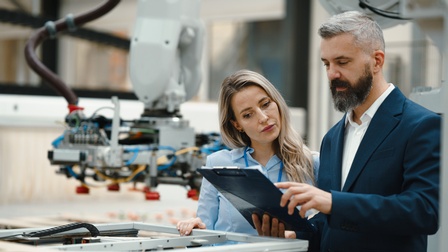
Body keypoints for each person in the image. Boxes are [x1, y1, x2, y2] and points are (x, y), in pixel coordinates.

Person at [253, 11, 441, 252]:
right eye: (326, 64)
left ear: (377, 61)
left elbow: (424, 210)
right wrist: (294, 238)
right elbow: (330, 224)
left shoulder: (420, 125)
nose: (332, 74)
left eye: (342, 62)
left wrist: (333, 202)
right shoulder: (332, 138)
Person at [176, 69, 319, 238]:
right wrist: (194, 228)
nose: (263, 117)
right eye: (248, 114)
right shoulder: (218, 164)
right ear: (237, 125)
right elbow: (204, 229)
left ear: (277, 103)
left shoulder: (312, 164)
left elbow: (326, 228)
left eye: (265, 104)